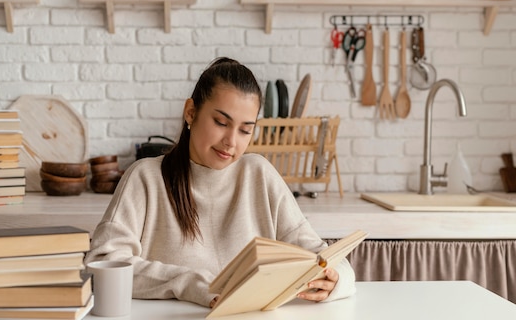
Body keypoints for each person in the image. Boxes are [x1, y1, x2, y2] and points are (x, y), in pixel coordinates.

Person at [84, 57, 356, 308]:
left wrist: (336, 278)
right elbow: (102, 265)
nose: (232, 141)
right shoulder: (145, 177)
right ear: (190, 112)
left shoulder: (259, 174)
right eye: (221, 122)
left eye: (245, 130)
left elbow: (320, 255)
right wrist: (194, 284)